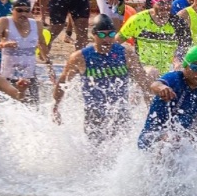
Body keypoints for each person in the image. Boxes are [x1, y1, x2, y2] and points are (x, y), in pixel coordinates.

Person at [53, 14, 152, 142]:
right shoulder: (80, 57)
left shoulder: (126, 54)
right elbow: (62, 82)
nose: (107, 39)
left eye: (111, 34)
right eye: (102, 35)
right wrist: (56, 106)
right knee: (96, 149)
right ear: (93, 34)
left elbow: (144, 83)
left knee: (122, 146)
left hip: (120, 111)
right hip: (94, 114)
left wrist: (150, 109)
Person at [137, 45, 197, 150]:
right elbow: (154, 85)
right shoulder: (175, 78)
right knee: (171, 140)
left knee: (187, 141)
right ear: (185, 67)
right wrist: (162, 88)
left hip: (179, 138)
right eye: (195, 68)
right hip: (151, 136)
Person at [0, 0, 50, 105]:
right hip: (8, 78)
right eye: (19, 10)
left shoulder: (37, 25)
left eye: (26, 11)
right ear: (12, 10)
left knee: (34, 110)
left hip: (29, 78)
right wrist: (2, 44)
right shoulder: (4, 22)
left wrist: (48, 64)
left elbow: (43, 45)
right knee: (8, 109)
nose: (23, 14)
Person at [118, 0, 179, 76]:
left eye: (168, 2)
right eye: (161, 3)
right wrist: (130, 55)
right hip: (144, 69)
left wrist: (177, 62)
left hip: (168, 72)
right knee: (153, 72)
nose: (165, 7)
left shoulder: (177, 22)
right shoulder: (138, 20)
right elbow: (116, 42)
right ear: (152, 3)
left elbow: (184, 49)